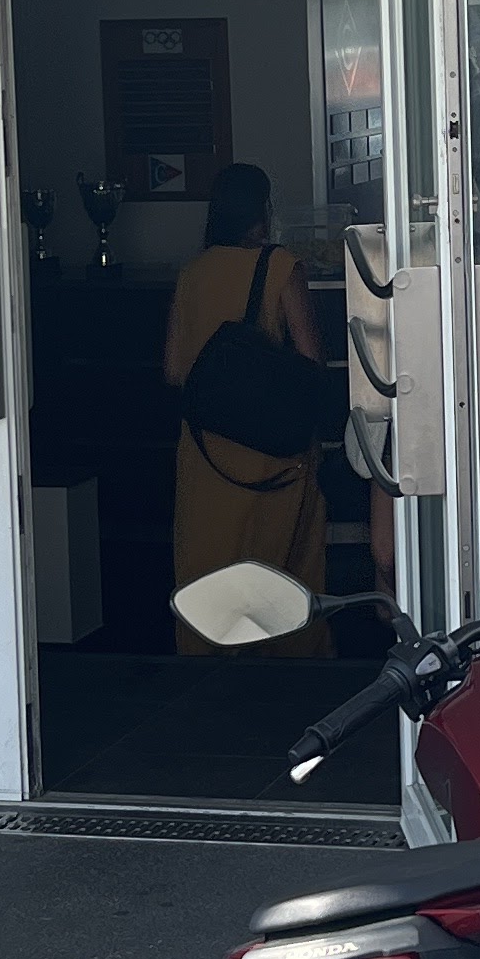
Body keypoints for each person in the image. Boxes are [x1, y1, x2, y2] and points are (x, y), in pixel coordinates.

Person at [164, 162, 330, 655]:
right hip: (270, 453)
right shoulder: (281, 266)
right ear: (263, 210)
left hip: (204, 449)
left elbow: (173, 370)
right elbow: (310, 361)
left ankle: (208, 672)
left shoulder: (192, 272)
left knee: (207, 568)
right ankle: (280, 674)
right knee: (279, 569)